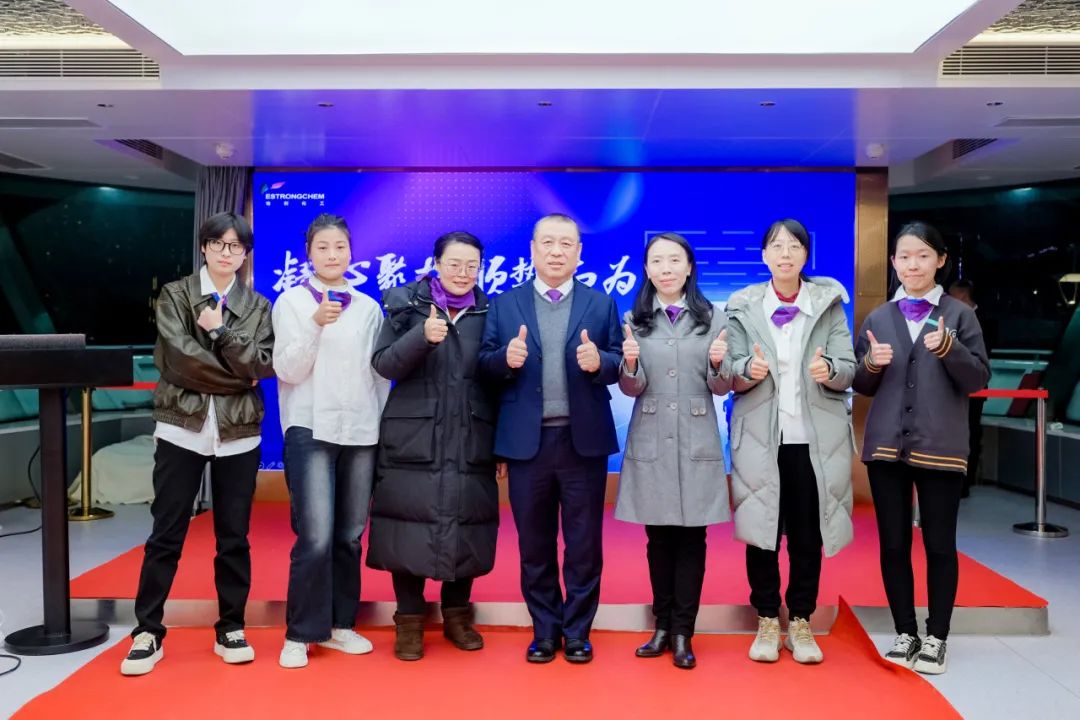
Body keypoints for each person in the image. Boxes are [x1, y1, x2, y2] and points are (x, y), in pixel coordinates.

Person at [121, 212, 275, 676]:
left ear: (245, 255)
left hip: (238, 432)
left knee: (234, 537)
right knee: (166, 532)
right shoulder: (176, 294)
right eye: (219, 244)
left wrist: (219, 332)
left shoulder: (258, 305)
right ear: (204, 247)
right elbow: (178, 361)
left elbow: (262, 364)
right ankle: (148, 631)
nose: (227, 253)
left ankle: (231, 627)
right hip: (181, 427)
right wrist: (237, 377)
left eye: (236, 246)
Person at [478, 213, 622, 664]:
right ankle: (544, 631)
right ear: (533, 250)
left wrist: (601, 362)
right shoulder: (505, 304)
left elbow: (620, 362)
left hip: (583, 443)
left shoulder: (601, 304)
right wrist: (505, 358)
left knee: (584, 545)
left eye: (566, 244)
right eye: (548, 243)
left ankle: (577, 632)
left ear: (579, 252)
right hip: (527, 445)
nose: (556, 251)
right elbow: (483, 365)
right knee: (534, 544)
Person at [854, 221, 989, 675]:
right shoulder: (878, 318)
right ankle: (905, 631)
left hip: (940, 446)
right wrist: (871, 363)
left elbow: (977, 379)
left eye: (923, 255)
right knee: (893, 544)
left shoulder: (960, 315)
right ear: (893, 262)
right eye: (905, 256)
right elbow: (862, 383)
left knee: (939, 544)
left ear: (941, 261)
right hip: (886, 448)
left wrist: (950, 349)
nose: (913, 264)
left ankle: (937, 636)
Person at [724, 219, 856, 666]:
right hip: (761, 438)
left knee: (807, 533)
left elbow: (848, 366)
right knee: (761, 532)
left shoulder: (828, 305)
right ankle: (766, 617)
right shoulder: (743, 307)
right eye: (777, 246)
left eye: (794, 246)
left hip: (812, 440)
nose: (785, 254)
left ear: (805, 254)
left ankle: (800, 619)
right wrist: (747, 370)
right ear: (764, 256)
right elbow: (728, 372)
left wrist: (830, 371)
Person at [367, 231, 498, 661]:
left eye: (472, 266)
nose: (463, 273)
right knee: (408, 524)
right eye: (454, 264)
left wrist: (500, 443)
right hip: (413, 437)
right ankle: (409, 621)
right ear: (436, 263)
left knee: (467, 523)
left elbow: (496, 381)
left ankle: (457, 615)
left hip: (471, 435)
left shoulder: (490, 311)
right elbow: (384, 364)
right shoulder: (406, 304)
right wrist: (420, 336)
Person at [273, 214, 389, 669]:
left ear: (351, 252)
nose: (332, 254)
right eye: (322, 247)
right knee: (316, 536)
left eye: (340, 246)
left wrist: (380, 426)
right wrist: (316, 324)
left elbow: (378, 375)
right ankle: (300, 634)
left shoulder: (368, 307)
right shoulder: (291, 302)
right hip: (310, 427)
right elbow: (288, 370)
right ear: (309, 253)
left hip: (360, 430)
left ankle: (342, 625)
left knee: (349, 536)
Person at [617, 232, 732, 670]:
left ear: (689, 267)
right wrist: (630, 363)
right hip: (651, 437)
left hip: (696, 438)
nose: (665, 269)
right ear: (647, 270)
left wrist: (719, 364)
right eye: (656, 261)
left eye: (674, 260)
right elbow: (631, 388)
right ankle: (661, 626)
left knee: (692, 540)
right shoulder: (634, 319)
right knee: (658, 540)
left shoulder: (714, 318)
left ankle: (684, 631)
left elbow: (723, 386)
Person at [948, 279, 987, 498]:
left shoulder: (984, 320)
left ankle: (966, 482)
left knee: (971, 432)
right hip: (952, 387)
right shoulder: (949, 317)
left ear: (962, 295)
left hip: (976, 389)